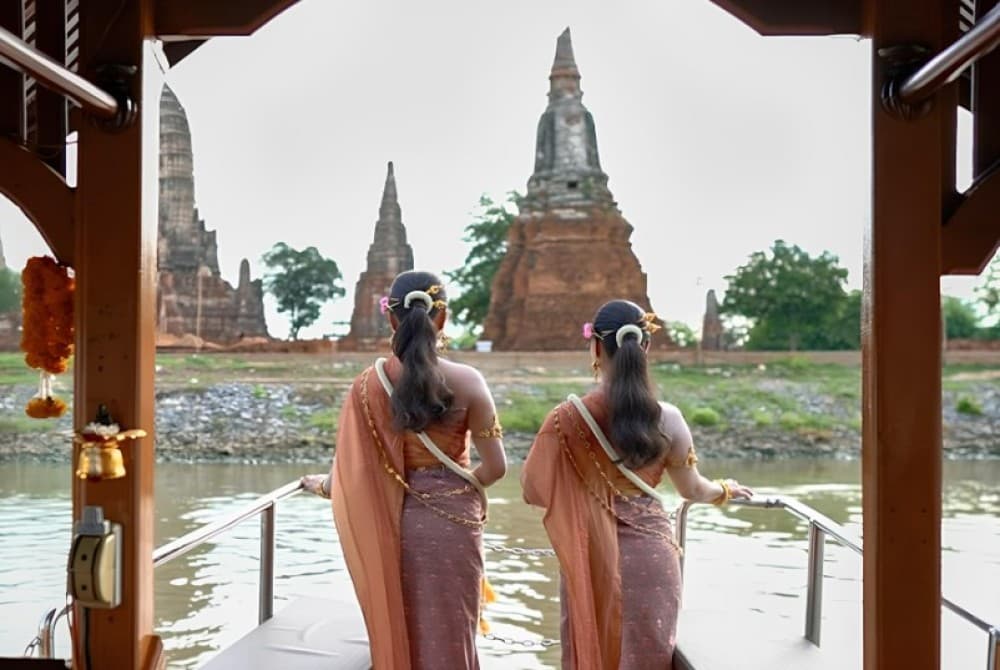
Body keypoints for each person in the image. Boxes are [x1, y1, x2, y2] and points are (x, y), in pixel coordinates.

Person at [521, 299, 753, 670]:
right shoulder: (669, 418)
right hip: (651, 557)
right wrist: (725, 490)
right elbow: (692, 490)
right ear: (645, 346)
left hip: (591, 556)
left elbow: (533, 489)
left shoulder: (566, 419)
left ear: (596, 347)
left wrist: (583, 490)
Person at [301, 270, 507, 669]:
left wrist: (321, 486)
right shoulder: (469, 381)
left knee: (402, 636)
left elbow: (348, 474)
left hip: (391, 526)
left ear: (391, 319)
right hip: (455, 527)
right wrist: (457, 490)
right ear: (442, 318)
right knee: (452, 636)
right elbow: (496, 468)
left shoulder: (366, 387)